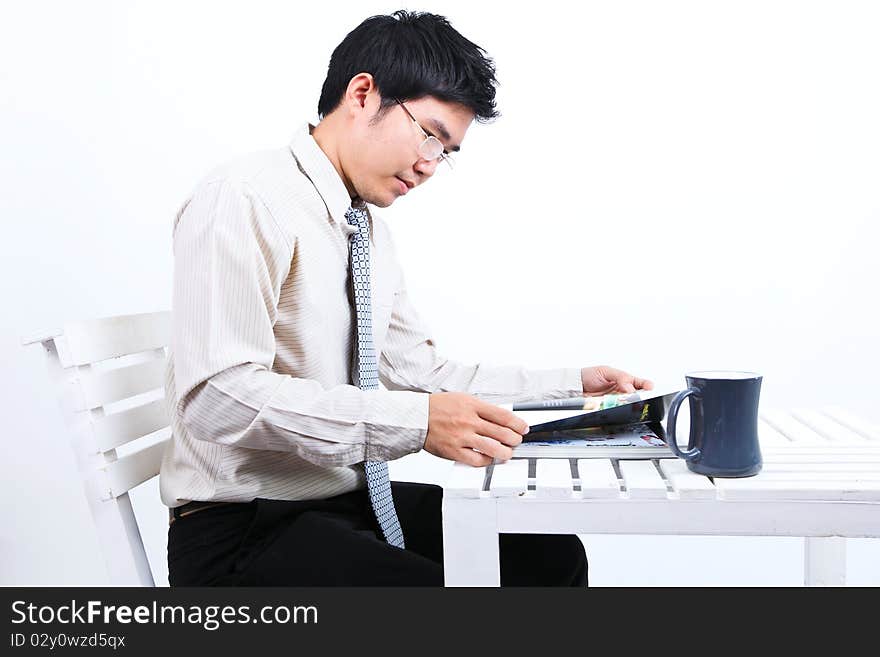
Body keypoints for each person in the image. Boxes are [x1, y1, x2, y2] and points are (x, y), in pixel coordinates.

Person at [161, 9, 653, 587]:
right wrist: (416, 423)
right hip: (242, 532)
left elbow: (417, 373)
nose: (428, 166)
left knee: (547, 555)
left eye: (446, 153)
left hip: (338, 504)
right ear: (363, 93)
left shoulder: (363, 227)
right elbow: (218, 396)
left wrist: (572, 387)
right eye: (430, 135)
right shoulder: (246, 198)